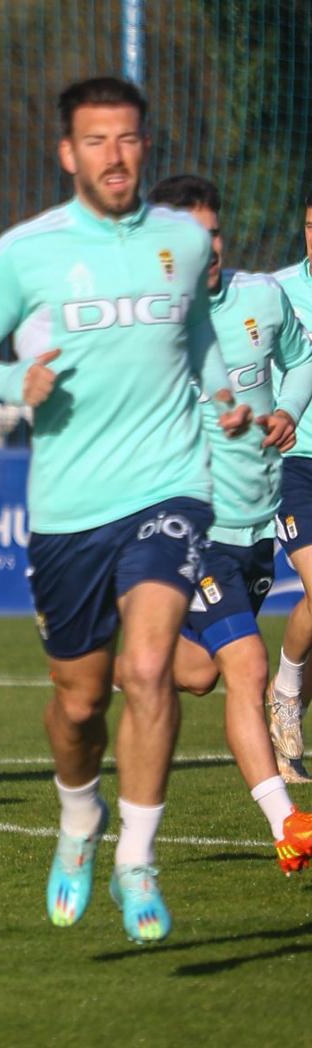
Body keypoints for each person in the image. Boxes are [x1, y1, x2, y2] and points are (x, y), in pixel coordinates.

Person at [0, 77, 254, 944]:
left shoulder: (181, 244)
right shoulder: (28, 251)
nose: (115, 157)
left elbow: (197, 336)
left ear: (145, 145)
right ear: (67, 152)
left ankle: (137, 860)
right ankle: (80, 817)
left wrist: (227, 395)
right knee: (79, 706)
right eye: (97, 141)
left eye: (128, 139)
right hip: (69, 507)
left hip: (169, 486)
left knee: (148, 670)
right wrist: (12, 380)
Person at [128, 174, 312, 873]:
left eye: (214, 234)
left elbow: (301, 359)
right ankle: (286, 821)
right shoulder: (149, 325)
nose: (206, 248)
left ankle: (104, 657)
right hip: (190, 527)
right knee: (248, 664)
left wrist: (289, 409)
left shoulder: (262, 299)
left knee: (199, 674)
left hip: (255, 527)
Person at [268, 191, 312, 782]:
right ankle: (284, 693)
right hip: (294, 463)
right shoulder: (276, 290)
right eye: (310, 225)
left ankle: (288, 703)